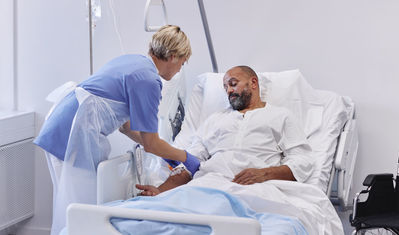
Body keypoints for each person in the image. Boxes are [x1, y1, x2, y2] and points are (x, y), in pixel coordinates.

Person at [34, 25, 200, 235]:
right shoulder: (149, 80)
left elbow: (125, 126)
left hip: (62, 122)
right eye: (182, 64)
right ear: (174, 56)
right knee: (80, 209)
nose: (179, 70)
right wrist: (185, 156)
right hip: (73, 130)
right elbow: (151, 143)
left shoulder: (132, 62)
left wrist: (167, 154)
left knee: (72, 205)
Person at [135, 65, 314, 196]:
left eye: (233, 84)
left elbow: (302, 160)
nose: (229, 90)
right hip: (209, 186)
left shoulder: (280, 116)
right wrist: (160, 192)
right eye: (225, 87)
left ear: (253, 83)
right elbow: (191, 162)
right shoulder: (215, 120)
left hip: (257, 190)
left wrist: (264, 174)